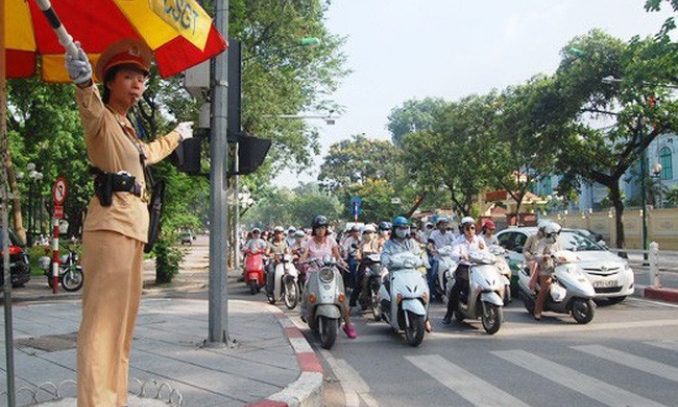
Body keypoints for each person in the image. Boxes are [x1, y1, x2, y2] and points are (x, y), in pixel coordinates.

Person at [66, 38, 192, 407]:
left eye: (141, 78)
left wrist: (176, 135)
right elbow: (88, 105)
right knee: (101, 325)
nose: (138, 85)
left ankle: (114, 399)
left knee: (122, 327)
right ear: (110, 82)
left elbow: (148, 154)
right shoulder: (102, 119)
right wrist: (82, 82)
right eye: (128, 77)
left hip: (132, 226)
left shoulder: (128, 129)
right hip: (111, 225)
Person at [299, 215, 357, 339]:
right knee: (307, 290)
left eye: (323, 228)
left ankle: (348, 325)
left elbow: (337, 255)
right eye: (318, 228)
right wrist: (304, 260)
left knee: (340, 297)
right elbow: (304, 255)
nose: (321, 230)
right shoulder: (310, 241)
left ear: (326, 229)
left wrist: (341, 261)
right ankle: (305, 311)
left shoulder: (330, 240)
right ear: (314, 229)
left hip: (331, 271)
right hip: (315, 271)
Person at [381, 216, 432, 332]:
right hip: (395, 272)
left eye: (405, 227)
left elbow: (420, 254)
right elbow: (384, 255)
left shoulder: (412, 243)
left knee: (425, 291)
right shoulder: (388, 244)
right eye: (400, 228)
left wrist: (424, 260)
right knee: (391, 291)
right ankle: (390, 312)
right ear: (394, 229)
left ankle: (426, 318)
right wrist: (387, 260)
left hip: (412, 272)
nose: (402, 230)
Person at [442, 216, 486, 325]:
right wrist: (461, 256)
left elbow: (486, 251)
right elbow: (453, 254)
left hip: (479, 266)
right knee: (459, 284)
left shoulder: (479, 240)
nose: (470, 231)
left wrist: (483, 250)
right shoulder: (458, 241)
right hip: (464, 266)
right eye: (467, 228)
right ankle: (449, 313)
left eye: (472, 228)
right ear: (463, 229)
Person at [532, 221, 562, 320]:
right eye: (554, 234)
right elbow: (536, 255)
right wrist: (544, 257)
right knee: (544, 289)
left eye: (557, 234)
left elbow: (561, 253)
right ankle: (537, 311)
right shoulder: (543, 242)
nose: (556, 236)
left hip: (559, 269)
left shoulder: (558, 243)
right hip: (546, 269)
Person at [427, 216, 456, 301]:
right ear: (438, 225)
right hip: (438, 257)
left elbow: (455, 243)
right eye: (442, 224)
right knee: (433, 275)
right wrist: (431, 249)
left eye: (445, 224)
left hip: (449, 257)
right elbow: (430, 243)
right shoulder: (434, 233)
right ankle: (431, 295)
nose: (444, 226)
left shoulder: (450, 234)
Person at [266, 226, 289, 299]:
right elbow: (267, 252)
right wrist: (270, 254)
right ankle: (270, 293)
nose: (279, 235)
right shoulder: (270, 243)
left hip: (283, 262)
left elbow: (287, 251)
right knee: (271, 272)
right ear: (274, 234)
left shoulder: (285, 243)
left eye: (280, 233)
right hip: (273, 262)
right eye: (277, 233)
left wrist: (290, 254)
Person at [341, 224, 362, 290]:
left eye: (357, 231)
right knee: (351, 268)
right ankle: (351, 284)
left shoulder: (362, 239)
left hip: (362, 257)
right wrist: (346, 254)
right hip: (352, 257)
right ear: (352, 232)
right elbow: (345, 248)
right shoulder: (349, 240)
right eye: (354, 231)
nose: (356, 233)